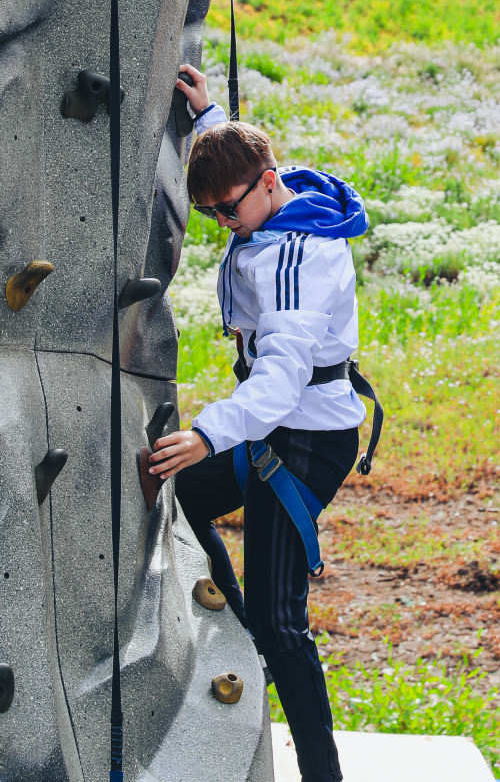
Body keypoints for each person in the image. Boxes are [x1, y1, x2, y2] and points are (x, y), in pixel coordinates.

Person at [147, 64, 377, 782]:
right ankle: (240, 637)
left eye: (228, 210)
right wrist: (210, 114)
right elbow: (239, 166)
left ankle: (320, 774)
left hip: (303, 441)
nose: (223, 224)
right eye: (210, 213)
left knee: (284, 623)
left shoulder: (293, 264)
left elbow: (278, 381)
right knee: (183, 495)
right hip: (281, 424)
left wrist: (209, 433)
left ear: (268, 183)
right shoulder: (281, 194)